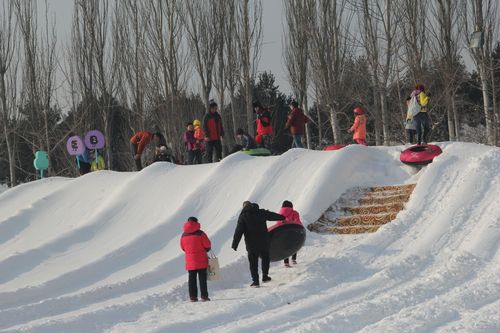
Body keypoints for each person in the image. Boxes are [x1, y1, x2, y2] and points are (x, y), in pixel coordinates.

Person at [232, 201, 285, 288]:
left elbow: (238, 231)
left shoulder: (243, 217)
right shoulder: (261, 212)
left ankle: (255, 281)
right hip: (264, 241)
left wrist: (235, 244)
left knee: (253, 262)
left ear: (244, 207)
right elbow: (272, 215)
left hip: (251, 244)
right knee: (265, 258)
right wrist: (282, 217)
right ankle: (265, 276)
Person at [180, 217, 212, 302]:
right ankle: (204, 296)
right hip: (201, 259)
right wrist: (207, 249)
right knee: (202, 279)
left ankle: (193, 297)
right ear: (196, 222)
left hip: (190, 261)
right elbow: (207, 244)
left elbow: (183, 247)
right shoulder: (200, 233)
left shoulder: (183, 235)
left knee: (191, 279)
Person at [274, 200, 303, 267]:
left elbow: (278, 224)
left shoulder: (279, 214)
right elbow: (297, 222)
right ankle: (293, 259)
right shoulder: (294, 213)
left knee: (286, 247)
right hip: (293, 232)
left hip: (282, 233)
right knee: (295, 245)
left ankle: (286, 263)